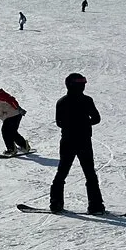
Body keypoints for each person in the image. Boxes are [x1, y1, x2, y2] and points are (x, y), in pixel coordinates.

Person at [50, 73, 105, 215]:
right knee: (89, 173)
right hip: (83, 140)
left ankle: (56, 203)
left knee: (62, 171)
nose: (83, 87)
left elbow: (59, 122)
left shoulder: (62, 102)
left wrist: (71, 125)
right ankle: (96, 206)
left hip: (68, 140)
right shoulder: (86, 100)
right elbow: (96, 118)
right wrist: (84, 123)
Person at [0, 84, 30, 155]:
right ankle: (24, 146)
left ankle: (11, 149)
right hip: (10, 116)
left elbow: (11, 99)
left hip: (14, 114)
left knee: (5, 130)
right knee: (12, 132)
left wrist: (18, 108)